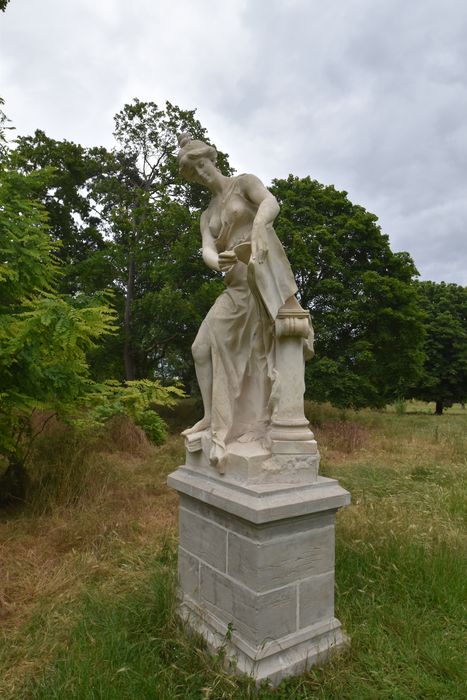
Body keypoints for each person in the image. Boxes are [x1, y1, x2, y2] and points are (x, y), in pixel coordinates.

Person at [177, 134, 302, 465]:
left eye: (202, 164)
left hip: (258, 283)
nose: (201, 172)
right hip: (234, 289)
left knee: (258, 359)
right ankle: (209, 416)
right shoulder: (207, 214)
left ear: (212, 160)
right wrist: (217, 261)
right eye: (194, 171)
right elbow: (206, 247)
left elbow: (270, 202)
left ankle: (254, 425)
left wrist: (259, 226)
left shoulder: (243, 182)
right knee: (199, 348)